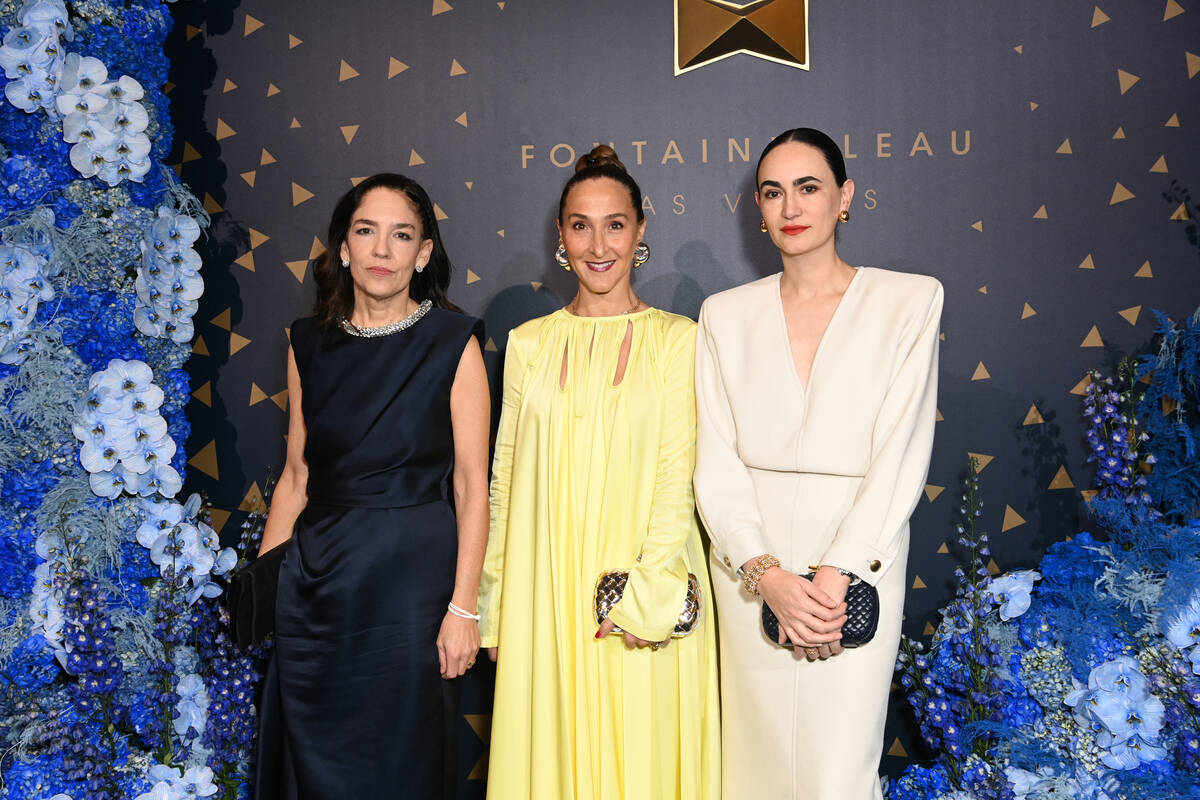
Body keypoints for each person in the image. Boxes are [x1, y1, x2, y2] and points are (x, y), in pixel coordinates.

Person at [693, 128, 942, 800]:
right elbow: (715, 463)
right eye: (773, 192)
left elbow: (903, 450)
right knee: (752, 769)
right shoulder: (723, 315)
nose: (791, 206)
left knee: (837, 773)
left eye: (809, 187)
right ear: (759, 207)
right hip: (753, 570)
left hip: (859, 560)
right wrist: (766, 574)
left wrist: (835, 576)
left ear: (844, 198)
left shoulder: (909, 301)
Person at [478, 145, 720, 800]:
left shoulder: (679, 338)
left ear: (640, 230)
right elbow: (504, 480)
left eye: (615, 223)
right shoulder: (527, 344)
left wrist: (643, 594)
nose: (598, 243)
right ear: (560, 236)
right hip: (547, 596)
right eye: (580, 225)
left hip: (646, 591)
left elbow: (679, 470)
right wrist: (498, 609)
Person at [253, 173, 490, 799]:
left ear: (423, 254)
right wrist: (262, 590)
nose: (383, 251)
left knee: (401, 767)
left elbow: (471, 487)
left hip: (411, 597)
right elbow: (297, 478)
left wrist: (464, 608)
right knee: (309, 767)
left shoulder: (453, 342)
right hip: (314, 592)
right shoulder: (307, 343)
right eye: (367, 232)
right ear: (344, 248)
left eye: (401, 235)